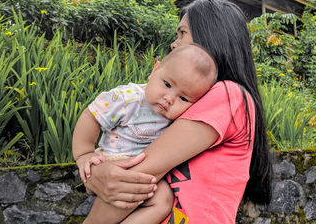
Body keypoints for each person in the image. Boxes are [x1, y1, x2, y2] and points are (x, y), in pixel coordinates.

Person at [84, 0, 273, 224]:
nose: (174, 44)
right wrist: (95, 173)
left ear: (211, 36)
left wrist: (95, 174)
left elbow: (137, 175)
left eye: (182, 33)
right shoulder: (187, 103)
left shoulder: (229, 94)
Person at [72, 43, 217, 224]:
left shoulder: (179, 119)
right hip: (114, 160)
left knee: (163, 201)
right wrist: (84, 153)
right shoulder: (128, 99)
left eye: (183, 98)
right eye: (167, 84)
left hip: (145, 172)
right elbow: (92, 115)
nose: (169, 98)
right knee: (128, 192)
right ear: (155, 70)